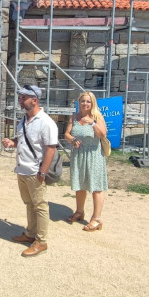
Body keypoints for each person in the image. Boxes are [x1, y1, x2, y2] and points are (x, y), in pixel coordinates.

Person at [1, 85, 58, 257]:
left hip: (35, 171)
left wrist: (42, 172)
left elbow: (50, 149)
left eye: (24, 97)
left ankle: (41, 241)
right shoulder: (23, 120)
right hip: (22, 169)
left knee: (40, 206)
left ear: (34, 99)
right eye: (20, 97)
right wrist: (12, 143)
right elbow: (22, 141)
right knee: (29, 204)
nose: (20, 100)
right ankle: (31, 233)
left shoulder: (46, 122)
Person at [64, 91, 108, 231]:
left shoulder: (97, 116)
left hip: (94, 155)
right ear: (79, 102)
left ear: (92, 103)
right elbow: (67, 134)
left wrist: (93, 123)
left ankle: (96, 219)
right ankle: (79, 212)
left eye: (88, 101)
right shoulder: (74, 116)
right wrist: (72, 140)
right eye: (83, 101)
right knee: (80, 184)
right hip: (79, 154)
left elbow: (103, 134)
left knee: (96, 187)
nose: (85, 104)